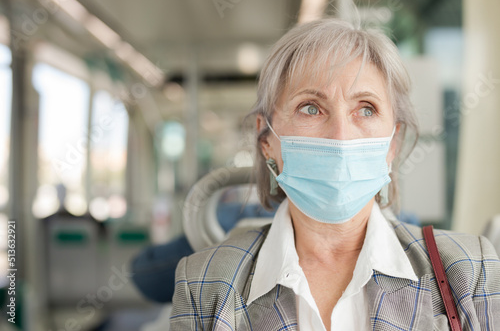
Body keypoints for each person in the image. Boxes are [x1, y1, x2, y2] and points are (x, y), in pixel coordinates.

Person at [169, 18, 500, 330]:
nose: (341, 136)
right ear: (266, 139)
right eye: (311, 107)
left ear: (392, 143)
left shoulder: (470, 269)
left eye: (366, 108)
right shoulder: (204, 282)